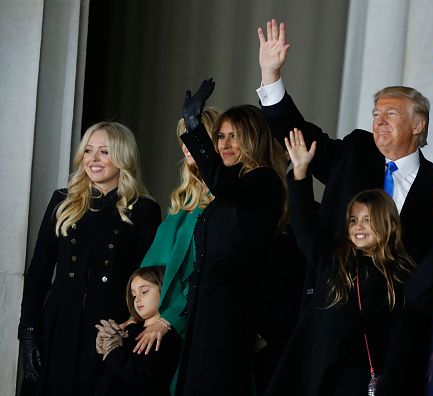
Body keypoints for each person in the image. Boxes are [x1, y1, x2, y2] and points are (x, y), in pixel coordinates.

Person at [257, 20, 433, 393]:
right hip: (332, 319)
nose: (378, 122)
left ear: (418, 125)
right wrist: (271, 75)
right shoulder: (355, 153)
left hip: (398, 335)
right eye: (375, 114)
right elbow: (299, 135)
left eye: (390, 114)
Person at [264, 128, 414, 396]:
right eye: (354, 220)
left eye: (368, 220)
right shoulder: (335, 258)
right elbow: (305, 225)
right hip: (321, 375)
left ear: (387, 224)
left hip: (363, 379)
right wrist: (300, 172)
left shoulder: (400, 273)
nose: (359, 227)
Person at [18, 122, 161, 396]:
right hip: (57, 327)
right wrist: (28, 331)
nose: (93, 160)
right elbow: (38, 271)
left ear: (123, 157)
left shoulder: (144, 210)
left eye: (104, 152)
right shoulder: (62, 201)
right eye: (88, 151)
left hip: (109, 331)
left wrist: (130, 329)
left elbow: (148, 280)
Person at [175, 78, 287, 395]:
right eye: (220, 136)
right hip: (206, 313)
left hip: (230, 319)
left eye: (233, 137)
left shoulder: (264, 181)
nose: (223, 144)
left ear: (253, 139)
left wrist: (196, 128)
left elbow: (226, 187)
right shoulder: (229, 190)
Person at [132, 108, 220, 356]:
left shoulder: (223, 204)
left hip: (196, 326)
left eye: (193, 136)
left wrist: (168, 319)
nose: (186, 145)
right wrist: (137, 316)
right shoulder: (183, 204)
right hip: (162, 325)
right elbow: (153, 270)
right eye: (183, 138)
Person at [94, 266, 182, 396]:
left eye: (144, 291)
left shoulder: (167, 337)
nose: (137, 299)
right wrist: (103, 345)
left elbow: (142, 379)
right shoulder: (129, 330)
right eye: (134, 295)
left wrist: (113, 351)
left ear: (165, 290)